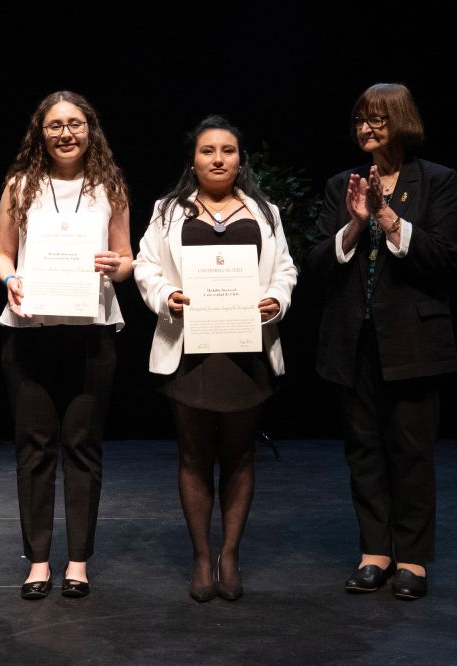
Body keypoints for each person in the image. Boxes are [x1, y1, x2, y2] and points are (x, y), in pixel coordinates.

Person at [308, 83, 457, 600]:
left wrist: (387, 216)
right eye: (360, 121)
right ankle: (374, 551)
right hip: (353, 342)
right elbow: (317, 266)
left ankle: (413, 559)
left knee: (412, 451)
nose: (366, 129)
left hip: (413, 342)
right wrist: (354, 225)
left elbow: (444, 257)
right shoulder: (341, 185)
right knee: (364, 450)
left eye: (377, 119)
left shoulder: (436, 181)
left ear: (401, 121)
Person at [133, 116, 297, 602]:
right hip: (189, 352)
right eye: (208, 151)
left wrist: (275, 299)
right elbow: (145, 266)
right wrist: (167, 296)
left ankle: (231, 553)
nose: (218, 158)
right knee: (193, 456)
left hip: (247, 351)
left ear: (240, 159)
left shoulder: (265, 211)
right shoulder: (167, 211)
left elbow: (285, 269)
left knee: (241, 455)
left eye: (228, 150)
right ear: (193, 160)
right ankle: (202, 556)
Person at [0, 91, 132, 600]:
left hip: (91, 334)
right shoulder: (19, 186)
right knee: (34, 450)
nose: (65, 133)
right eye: (55, 125)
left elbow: (127, 258)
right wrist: (11, 280)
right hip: (30, 334)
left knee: (83, 447)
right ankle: (38, 561)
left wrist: (116, 267)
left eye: (75, 123)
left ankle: (78, 561)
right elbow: (1, 255)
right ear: (41, 132)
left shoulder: (108, 187)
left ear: (90, 129)